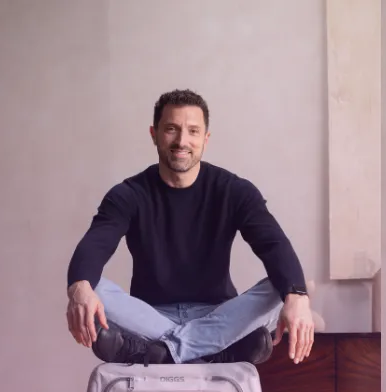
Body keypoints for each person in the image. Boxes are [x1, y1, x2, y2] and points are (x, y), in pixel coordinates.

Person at [65, 89, 315, 366]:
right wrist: (79, 290)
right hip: (150, 315)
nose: (182, 141)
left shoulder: (235, 190)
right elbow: (95, 245)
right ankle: (213, 352)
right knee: (89, 285)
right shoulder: (128, 194)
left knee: (287, 290)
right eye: (172, 129)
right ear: (154, 134)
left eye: (193, 131)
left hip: (218, 314)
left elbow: (273, 244)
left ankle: (160, 351)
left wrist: (297, 297)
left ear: (205, 139)